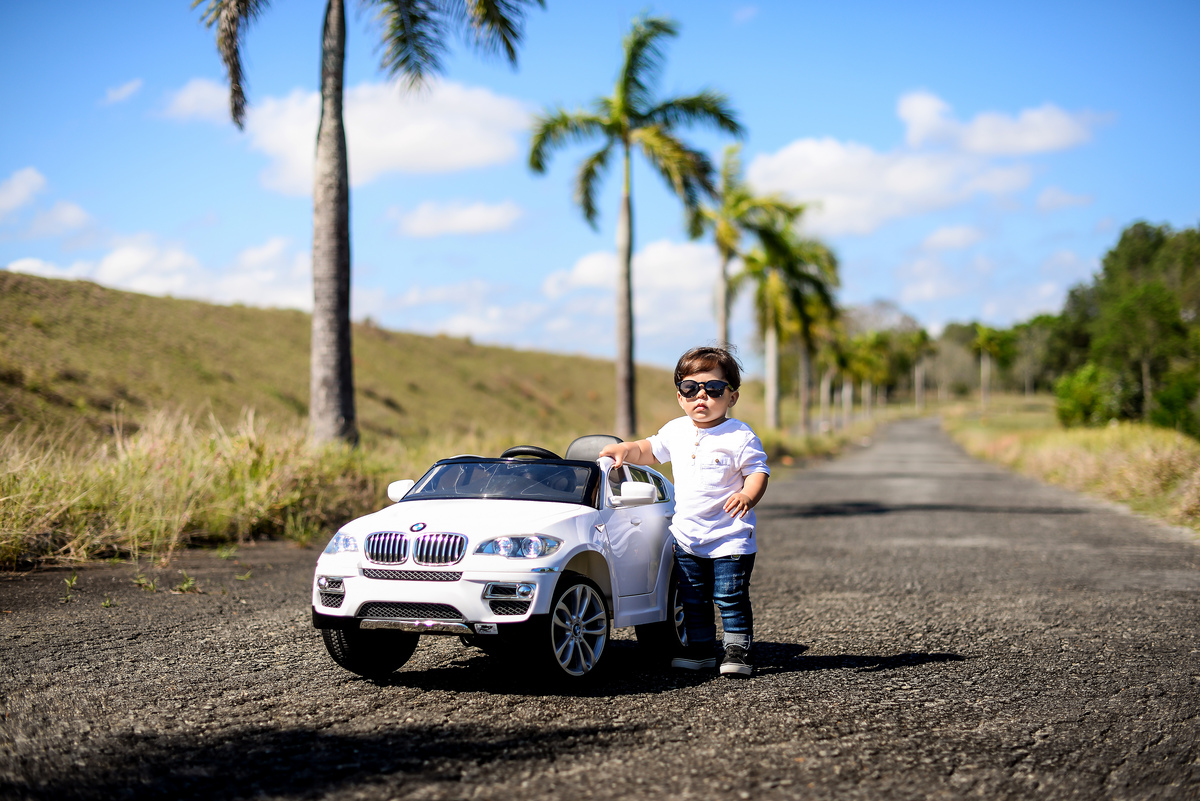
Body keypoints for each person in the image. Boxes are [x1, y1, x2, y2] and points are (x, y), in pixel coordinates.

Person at [600, 346, 769, 677]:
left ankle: (738, 650)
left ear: (732, 397)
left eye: (714, 388)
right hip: (687, 537)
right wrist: (625, 449)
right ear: (680, 397)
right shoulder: (676, 430)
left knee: (730, 597)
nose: (701, 396)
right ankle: (700, 649)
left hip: (729, 536)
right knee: (692, 598)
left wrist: (747, 495)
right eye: (691, 388)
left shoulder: (740, 435)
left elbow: (758, 472)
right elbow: (649, 450)